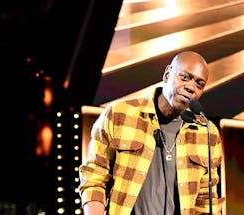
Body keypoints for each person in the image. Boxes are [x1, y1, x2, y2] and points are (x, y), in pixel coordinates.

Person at [78, 51, 225, 214]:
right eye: (184, 77)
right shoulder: (120, 114)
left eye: (199, 84)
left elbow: (206, 201)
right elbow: (94, 176)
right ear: (167, 74)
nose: (191, 88)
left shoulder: (207, 133)